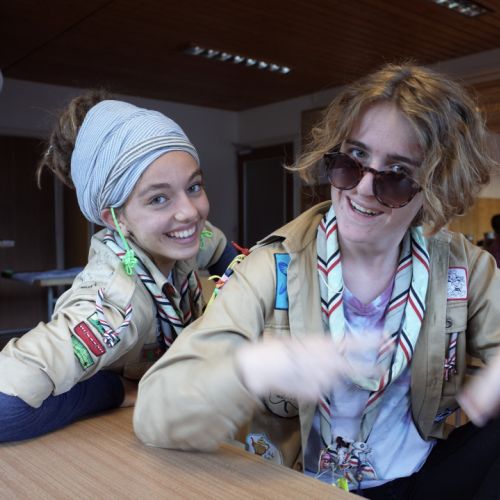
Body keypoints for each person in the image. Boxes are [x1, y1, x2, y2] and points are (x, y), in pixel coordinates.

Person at [133, 63, 500, 499]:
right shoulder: (271, 268)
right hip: (305, 486)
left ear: (433, 185)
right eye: (352, 160)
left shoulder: (463, 267)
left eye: (397, 176)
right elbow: (155, 415)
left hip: (421, 475)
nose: (363, 189)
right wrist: (254, 368)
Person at [0, 91, 236, 441]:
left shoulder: (188, 238)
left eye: (194, 187)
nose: (189, 212)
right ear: (115, 219)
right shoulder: (115, 304)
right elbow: (5, 407)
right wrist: (117, 390)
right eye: (159, 198)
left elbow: (222, 251)